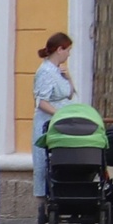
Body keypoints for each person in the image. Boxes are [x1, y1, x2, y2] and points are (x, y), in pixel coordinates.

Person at [31, 32, 74, 200]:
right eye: (68, 50)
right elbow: (41, 101)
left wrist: (68, 78)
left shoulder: (58, 70)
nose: (69, 54)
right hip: (48, 124)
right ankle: (44, 206)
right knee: (44, 165)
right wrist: (60, 114)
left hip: (63, 123)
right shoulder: (45, 72)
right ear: (60, 49)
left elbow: (69, 94)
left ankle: (60, 201)